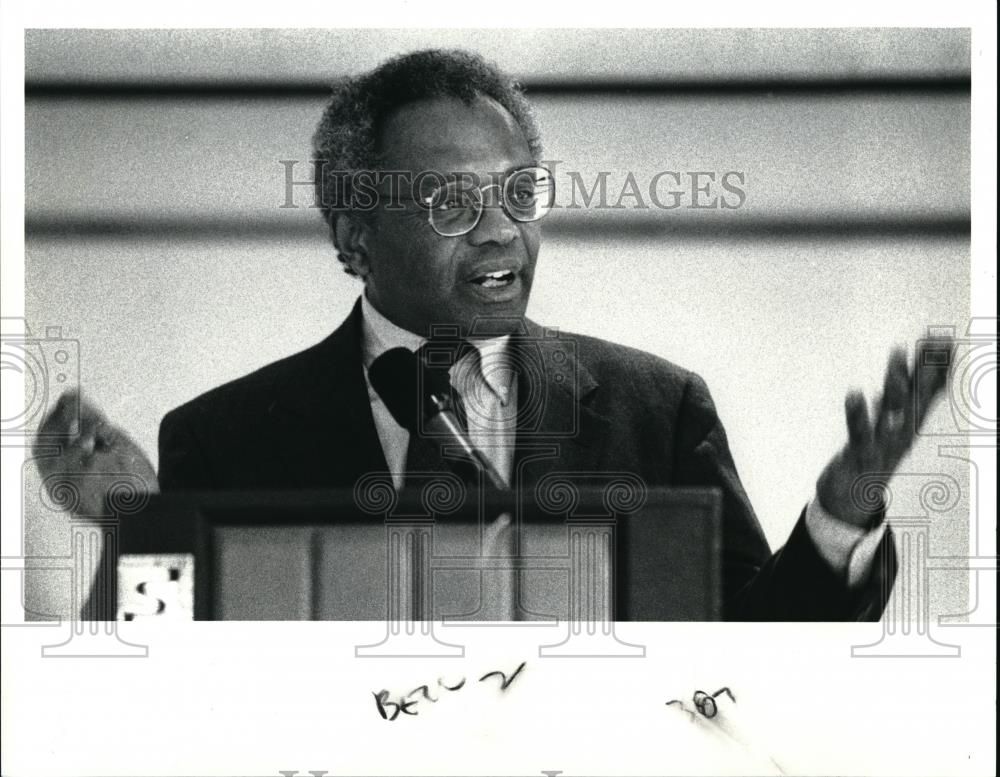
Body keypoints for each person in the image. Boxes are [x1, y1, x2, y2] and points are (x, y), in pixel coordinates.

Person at [35, 48, 952, 621]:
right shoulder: (227, 436)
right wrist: (139, 526)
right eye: (451, 200)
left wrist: (842, 513)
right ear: (356, 236)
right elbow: (165, 691)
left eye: (520, 193)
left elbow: (760, 660)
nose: (500, 230)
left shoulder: (657, 407)